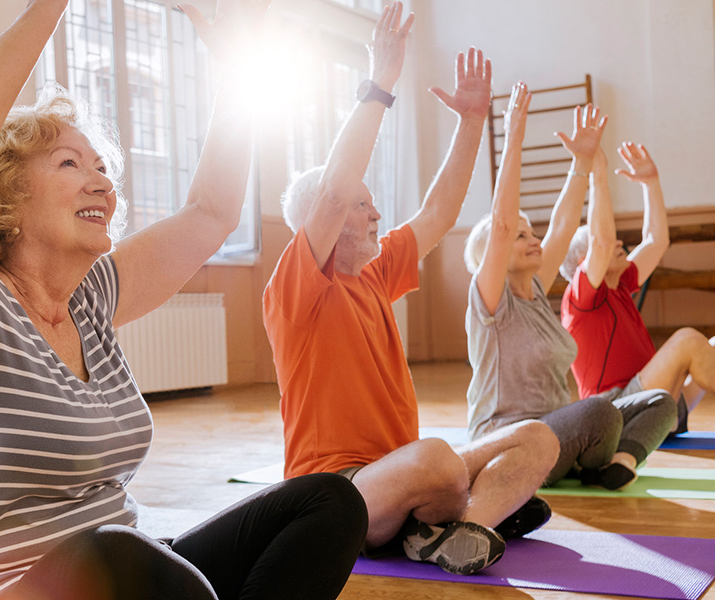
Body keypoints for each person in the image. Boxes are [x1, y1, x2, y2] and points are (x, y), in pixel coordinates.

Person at [0, 1, 368, 599]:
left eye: (102, 167)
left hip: (127, 576)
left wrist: (234, 74)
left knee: (328, 502)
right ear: (7, 194)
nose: (101, 181)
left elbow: (212, 212)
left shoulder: (92, 297)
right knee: (120, 554)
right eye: (69, 164)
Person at [264, 3, 558, 577]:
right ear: (321, 223)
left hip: (402, 468)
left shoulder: (376, 270)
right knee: (439, 462)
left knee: (535, 439)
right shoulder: (295, 287)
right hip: (338, 494)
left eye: (373, 203)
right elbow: (331, 190)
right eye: (360, 204)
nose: (375, 213)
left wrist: (473, 121)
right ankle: (456, 517)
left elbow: (439, 212)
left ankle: (461, 528)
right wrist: (381, 83)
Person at [463, 87, 676, 492]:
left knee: (659, 401)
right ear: (494, 254)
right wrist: (515, 136)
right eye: (518, 235)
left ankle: (612, 463)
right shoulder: (490, 302)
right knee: (597, 413)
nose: (530, 238)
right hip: (510, 442)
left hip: (562, 429)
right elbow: (503, 221)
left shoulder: (538, 294)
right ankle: (593, 457)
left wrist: (581, 163)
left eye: (531, 232)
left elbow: (562, 225)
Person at [559, 142, 715, 433]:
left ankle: (667, 421)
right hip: (614, 412)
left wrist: (650, 183)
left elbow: (656, 241)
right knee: (687, 341)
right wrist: (598, 173)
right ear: (585, 261)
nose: (619, 243)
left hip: (654, 404)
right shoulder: (579, 300)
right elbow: (602, 242)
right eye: (610, 241)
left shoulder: (620, 285)